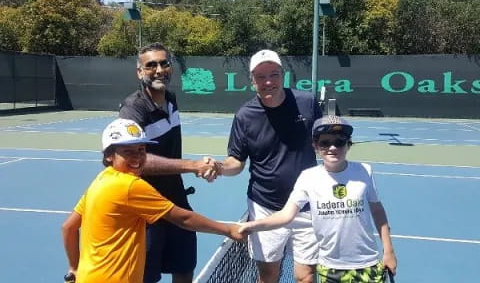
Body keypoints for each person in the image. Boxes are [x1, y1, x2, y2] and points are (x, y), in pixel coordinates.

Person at [62, 118, 244, 283]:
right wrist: (228, 230)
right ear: (109, 155)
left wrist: (74, 267)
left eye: (141, 150)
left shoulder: (101, 179)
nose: (137, 157)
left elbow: (68, 227)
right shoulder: (130, 185)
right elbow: (183, 218)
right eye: (128, 151)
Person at [239, 115, 398, 283]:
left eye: (339, 142)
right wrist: (252, 225)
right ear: (315, 146)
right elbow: (286, 215)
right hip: (329, 268)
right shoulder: (308, 177)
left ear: (348, 144)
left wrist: (388, 252)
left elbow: (378, 212)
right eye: (325, 142)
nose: (332, 147)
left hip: (368, 265)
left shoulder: (364, 171)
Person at [209, 49, 322, 283]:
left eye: (273, 74)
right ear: (252, 81)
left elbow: (323, 144)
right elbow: (236, 162)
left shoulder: (308, 103)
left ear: (283, 75)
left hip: (307, 207)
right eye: (260, 76)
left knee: (307, 277)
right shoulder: (245, 115)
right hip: (265, 207)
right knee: (268, 276)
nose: (268, 81)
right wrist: (219, 167)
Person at [118, 42, 217, 283]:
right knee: (145, 277)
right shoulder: (133, 109)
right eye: (151, 65)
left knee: (183, 267)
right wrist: (192, 166)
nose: (159, 69)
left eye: (164, 63)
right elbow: (135, 161)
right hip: (145, 208)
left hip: (175, 199)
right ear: (140, 72)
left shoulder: (171, 99)